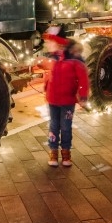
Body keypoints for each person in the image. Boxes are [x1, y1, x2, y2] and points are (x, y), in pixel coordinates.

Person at [44, 36, 88, 167]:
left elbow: (83, 80)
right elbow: (49, 75)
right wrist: (46, 87)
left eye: (51, 42)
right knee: (53, 126)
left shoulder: (75, 61)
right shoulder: (53, 59)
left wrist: (83, 96)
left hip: (67, 101)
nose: (48, 45)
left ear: (60, 45)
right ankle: (53, 151)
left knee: (65, 127)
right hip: (52, 99)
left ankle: (66, 153)